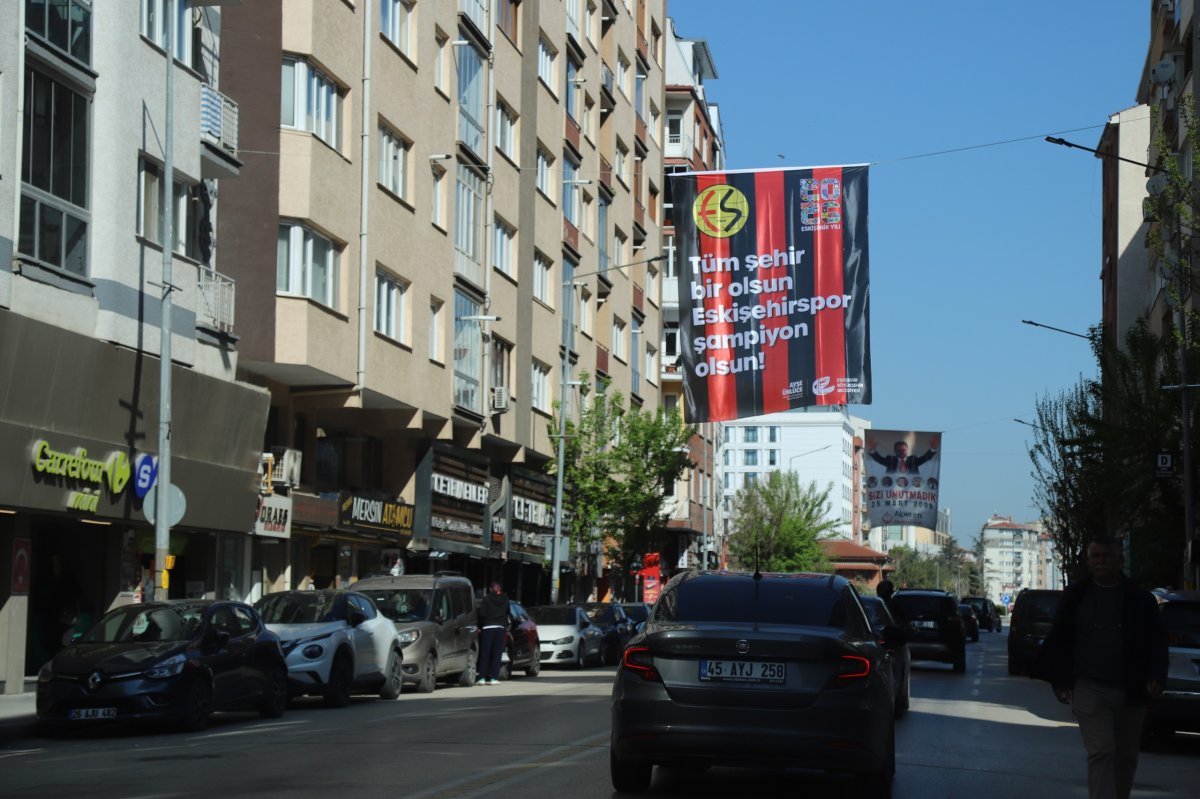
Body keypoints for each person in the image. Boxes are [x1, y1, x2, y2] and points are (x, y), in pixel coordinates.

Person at [1032, 536, 1168, 799]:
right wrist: (1060, 680)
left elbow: (1157, 642)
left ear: (1120, 560)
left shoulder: (1140, 599)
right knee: (1102, 750)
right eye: (1096, 556)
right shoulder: (1076, 596)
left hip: (1131, 690)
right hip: (1089, 688)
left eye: (1107, 556)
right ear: (1088, 561)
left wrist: (1156, 675)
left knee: (1125, 757)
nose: (1101, 561)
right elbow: (1060, 639)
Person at [476, 581, 509, 686]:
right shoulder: (505, 599)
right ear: (500, 589)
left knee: (485, 653)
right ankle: (493, 678)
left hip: (487, 628)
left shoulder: (486, 599)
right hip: (500, 628)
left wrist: (480, 625)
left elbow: (482, 613)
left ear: (490, 589)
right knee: (497, 654)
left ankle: (482, 678)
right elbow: (508, 613)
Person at [867, 435, 940, 474]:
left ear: (907, 450)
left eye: (904, 450)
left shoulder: (913, 460)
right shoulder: (890, 459)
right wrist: (872, 450)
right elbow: (879, 459)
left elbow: (925, 457)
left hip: (911, 490)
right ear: (895, 451)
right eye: (899, 450)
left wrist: (933, 449)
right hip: (892, 489)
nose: (901, 452)